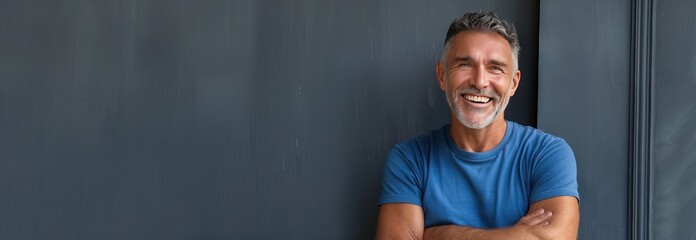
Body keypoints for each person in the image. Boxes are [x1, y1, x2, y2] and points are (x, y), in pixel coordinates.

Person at [375, 12, 580, 240]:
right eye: (465, 64)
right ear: (443, 76)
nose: (479, 81)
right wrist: (517, 234)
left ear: (513, 83)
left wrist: (439, 234)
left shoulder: (548, 154)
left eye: (495, 68)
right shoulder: (409, 159)